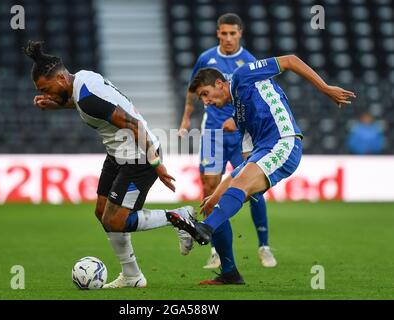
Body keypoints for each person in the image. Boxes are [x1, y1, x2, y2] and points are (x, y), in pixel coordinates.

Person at [167, 55, 356, 284]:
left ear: (219, 83)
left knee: (234, 191)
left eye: (205, 94)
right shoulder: (239, 117)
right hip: (263, 151)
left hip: (284, 142)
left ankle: (205, 229)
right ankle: (229, 273)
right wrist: (214, 198)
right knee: (216, 202)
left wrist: (325, 89)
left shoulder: (241, 76)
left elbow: (290, 60)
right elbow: (246, 166)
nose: (205, 102)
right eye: (201, 99)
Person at [23, 41, 197, 288]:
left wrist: (156, 162)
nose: (47, 93)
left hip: (139, 154)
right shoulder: (81, 79)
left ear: (61, 78)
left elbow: (134, 125)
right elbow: (86, 104)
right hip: (118, 153)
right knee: (102, 212)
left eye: (46, 88)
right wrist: (54, 104)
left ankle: (177, 216)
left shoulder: (88, 99)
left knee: (116, 220)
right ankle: (132, 276)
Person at [178, 13, 276, 270]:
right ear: (218, 34)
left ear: (240, 33)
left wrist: (243, 121)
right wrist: (186, 119)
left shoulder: (249, 61)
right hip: (212, 132)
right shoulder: (206, 59)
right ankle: (214, 249)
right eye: (224, 33)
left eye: (233, 33)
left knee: (253, 187)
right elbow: (192, 91)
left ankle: (264, 246)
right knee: (209, 187)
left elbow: (259, 95)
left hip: (242, 132)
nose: (229, 38)